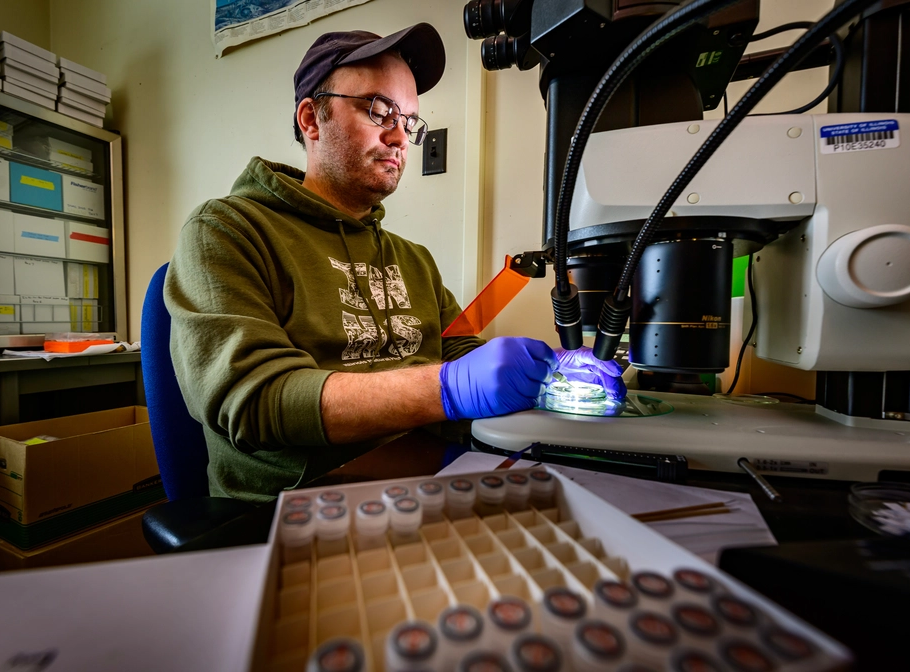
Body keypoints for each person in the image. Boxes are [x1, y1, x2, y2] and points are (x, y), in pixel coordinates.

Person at [165, 23, 623, 502]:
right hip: (294, 511)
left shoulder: (413, 260)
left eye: (409, 121)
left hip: (431, 480)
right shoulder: (227, 230)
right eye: (380, 110)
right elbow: (253, 399)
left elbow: (460, 355)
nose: (400, 137)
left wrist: (549, 373)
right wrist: (447, 389)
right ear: (311, 118)